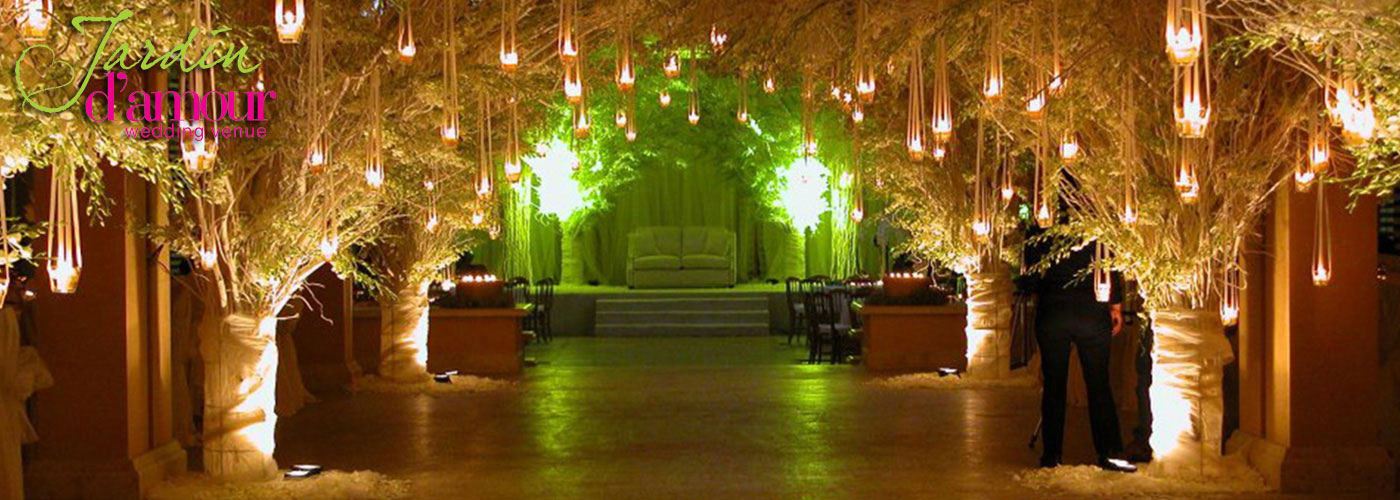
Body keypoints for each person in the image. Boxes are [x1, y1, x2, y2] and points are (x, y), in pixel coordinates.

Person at [1024, 234, 1135, 473]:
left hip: (1053, 309)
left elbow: (1029, 274)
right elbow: (1108, 263)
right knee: (1098, 385)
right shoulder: (1094, 226)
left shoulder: (1042, 223)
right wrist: (1116, 305)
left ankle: (1052, 455)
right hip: (1091, 309)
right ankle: (1109, 452)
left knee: (1054, 386)